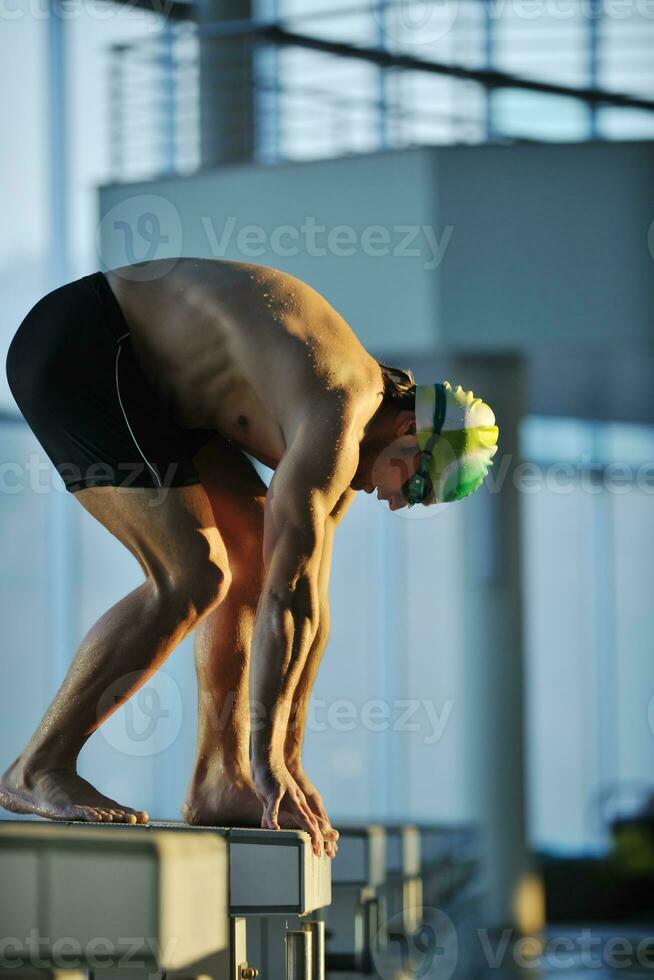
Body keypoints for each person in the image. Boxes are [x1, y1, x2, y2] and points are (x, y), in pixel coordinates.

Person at [0, 258, 498, 856]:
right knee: (191, 573)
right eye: (415, 485)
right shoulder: (339, 409)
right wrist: (270, 763)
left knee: (255, 559)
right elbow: (289, 603)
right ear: (410, 427)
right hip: (86, 342)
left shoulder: (345, 446)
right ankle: (39, 764)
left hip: (155, 385)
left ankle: (219, 780)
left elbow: (306, 606)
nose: (395, 503)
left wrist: (284, 760)